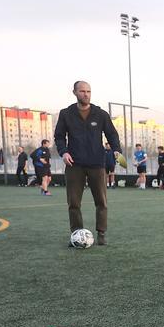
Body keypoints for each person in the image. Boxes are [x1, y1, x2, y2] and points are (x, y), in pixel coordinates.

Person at [54, 81, 122, 246]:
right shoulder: (66, 114)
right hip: (74, 164)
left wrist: (116, 149)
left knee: (101, 201)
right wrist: (64, 152)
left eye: (88, 91)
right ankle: (76, 234)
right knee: (74, 203)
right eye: (82, 91)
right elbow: (59, 136)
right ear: (75, 92)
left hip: (97, 163)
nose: (86, 94)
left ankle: (101, 233)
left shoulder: (101, 114)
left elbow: (112, 134)